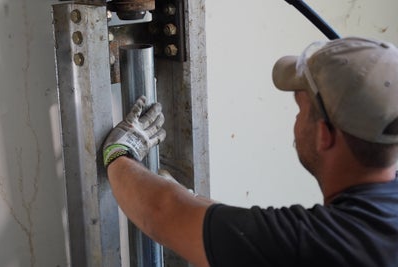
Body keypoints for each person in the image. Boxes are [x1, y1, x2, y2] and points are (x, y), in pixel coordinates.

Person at [103, 37, 398, 267]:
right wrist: (191, 200)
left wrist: (119, 153)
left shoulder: (323, 244)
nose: (295, 120)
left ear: (324, 134)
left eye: (300, 109)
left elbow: (162, 212)